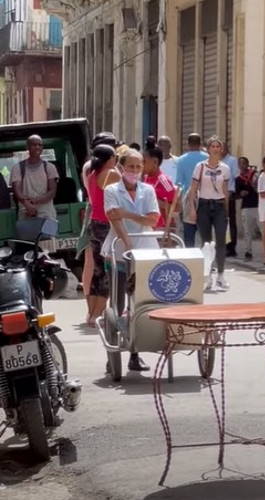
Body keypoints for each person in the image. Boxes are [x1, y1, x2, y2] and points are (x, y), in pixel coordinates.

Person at [102, 149, 159, 372]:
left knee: (139, 302)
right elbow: (113, 217)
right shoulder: (111, 190)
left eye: (138, 167)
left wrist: (127, 214)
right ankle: (113, 351)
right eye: (130, 166)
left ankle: (135, 354)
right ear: (121, 168)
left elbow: (153, 218)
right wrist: (127, 243)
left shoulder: (148, 190)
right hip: (119, 252)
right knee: (117, 303)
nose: (134, 171)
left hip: (145, 252)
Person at [187, 136, 231, 290]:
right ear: (208, 148)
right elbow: (193, 189)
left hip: (219, 205)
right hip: (204, 205)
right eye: (212, 146)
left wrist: (227, 210)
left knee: (220, 241)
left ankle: (221, 274)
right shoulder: (200, 166)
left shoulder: (225, 168)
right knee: (206, 243)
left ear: (221, 149)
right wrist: (193, 209)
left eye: (218, 146)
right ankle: (208, 275)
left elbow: (225, 190)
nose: (215, 149)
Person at [84, 144, 121, 325]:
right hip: (106, 224)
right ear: (109, 158)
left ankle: (91, 313)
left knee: (98, 271)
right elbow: (124, 191)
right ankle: (98, 314)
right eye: (115, 156)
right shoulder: (110, 173)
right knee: (107, 271)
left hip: (94, 222)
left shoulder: (92, 174)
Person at [11, 135, 58, 221]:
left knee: (49, 234)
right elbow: (17, 190)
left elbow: (52, 192)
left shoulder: (50, 167)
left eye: (40, 145)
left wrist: (34, 201)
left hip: (47, 216)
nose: (37, 147)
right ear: (27, 147)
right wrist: (27, 205)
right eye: (34, 145)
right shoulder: (17, 168)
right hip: (25, 214)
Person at [176, 133, 209, 246]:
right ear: (200, 144)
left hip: (188, 200)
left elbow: (179, 183)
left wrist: (179, 204)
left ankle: (190, 258)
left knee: (188, 233)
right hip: (206, 199)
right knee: (205, 234)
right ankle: (206, 259)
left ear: (188, 144)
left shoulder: (181, 160)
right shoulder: (208, 158)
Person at [142, 147, 178, 231]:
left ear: (155, 162)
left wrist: (153, 200)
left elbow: (175, 208)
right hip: (146, 226)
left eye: (144, 161)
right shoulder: (145, 178)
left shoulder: (164, 182)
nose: (141, 165)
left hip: (160, 229)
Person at [236, 156, 259, 260]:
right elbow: (236, 194)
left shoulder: (255, 175)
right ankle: (248, 251)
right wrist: (241, 193)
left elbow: (259, 188)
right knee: (247, 231)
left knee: (264, 230)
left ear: (247, 164)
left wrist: (254, 185)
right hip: (246, 207)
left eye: (244, 163)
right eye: (240, 163)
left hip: (258, 205)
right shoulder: (238, 179)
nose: (242, 165)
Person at [222, 142, 240, 258]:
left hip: (229, 194)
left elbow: (236, 176)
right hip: (217, 195)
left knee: (230, 222)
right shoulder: (215, 160)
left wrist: (235, 193)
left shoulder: (232, 160)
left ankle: (231, 247)